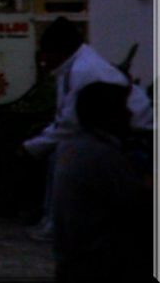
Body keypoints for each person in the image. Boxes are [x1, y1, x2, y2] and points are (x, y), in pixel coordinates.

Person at [21, 17, 153, 242]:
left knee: (64, 158)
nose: (43, 60)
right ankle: (51, 218)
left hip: (129, 133)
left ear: (59, 50)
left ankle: (55, 222)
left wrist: (32, 147)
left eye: (46, 53)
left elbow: (71, 123)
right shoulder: (79, 67)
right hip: (109, 131)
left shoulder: (85, 71)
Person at [51, 82, 151, 281]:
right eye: (123, 108)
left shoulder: (70, 147)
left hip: (73, 257)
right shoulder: (101, 155)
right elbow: (141, 206)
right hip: (100, 262)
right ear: (108, 115)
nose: (130, 114)